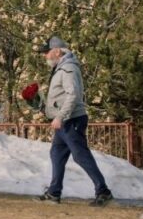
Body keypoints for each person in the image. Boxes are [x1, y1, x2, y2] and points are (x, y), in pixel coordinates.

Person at [35, 36, 113, 207]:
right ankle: (54, 192)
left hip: (72, 120)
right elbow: (59, 98)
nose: (45, 56)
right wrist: (36, 102)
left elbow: (73, 95)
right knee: (57, 154)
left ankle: (103, 191)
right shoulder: (60, 68)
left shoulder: (68, 68)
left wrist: (60, 117)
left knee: (80, 155)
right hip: (64, 122)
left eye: (47, 52)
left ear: (57, 51)